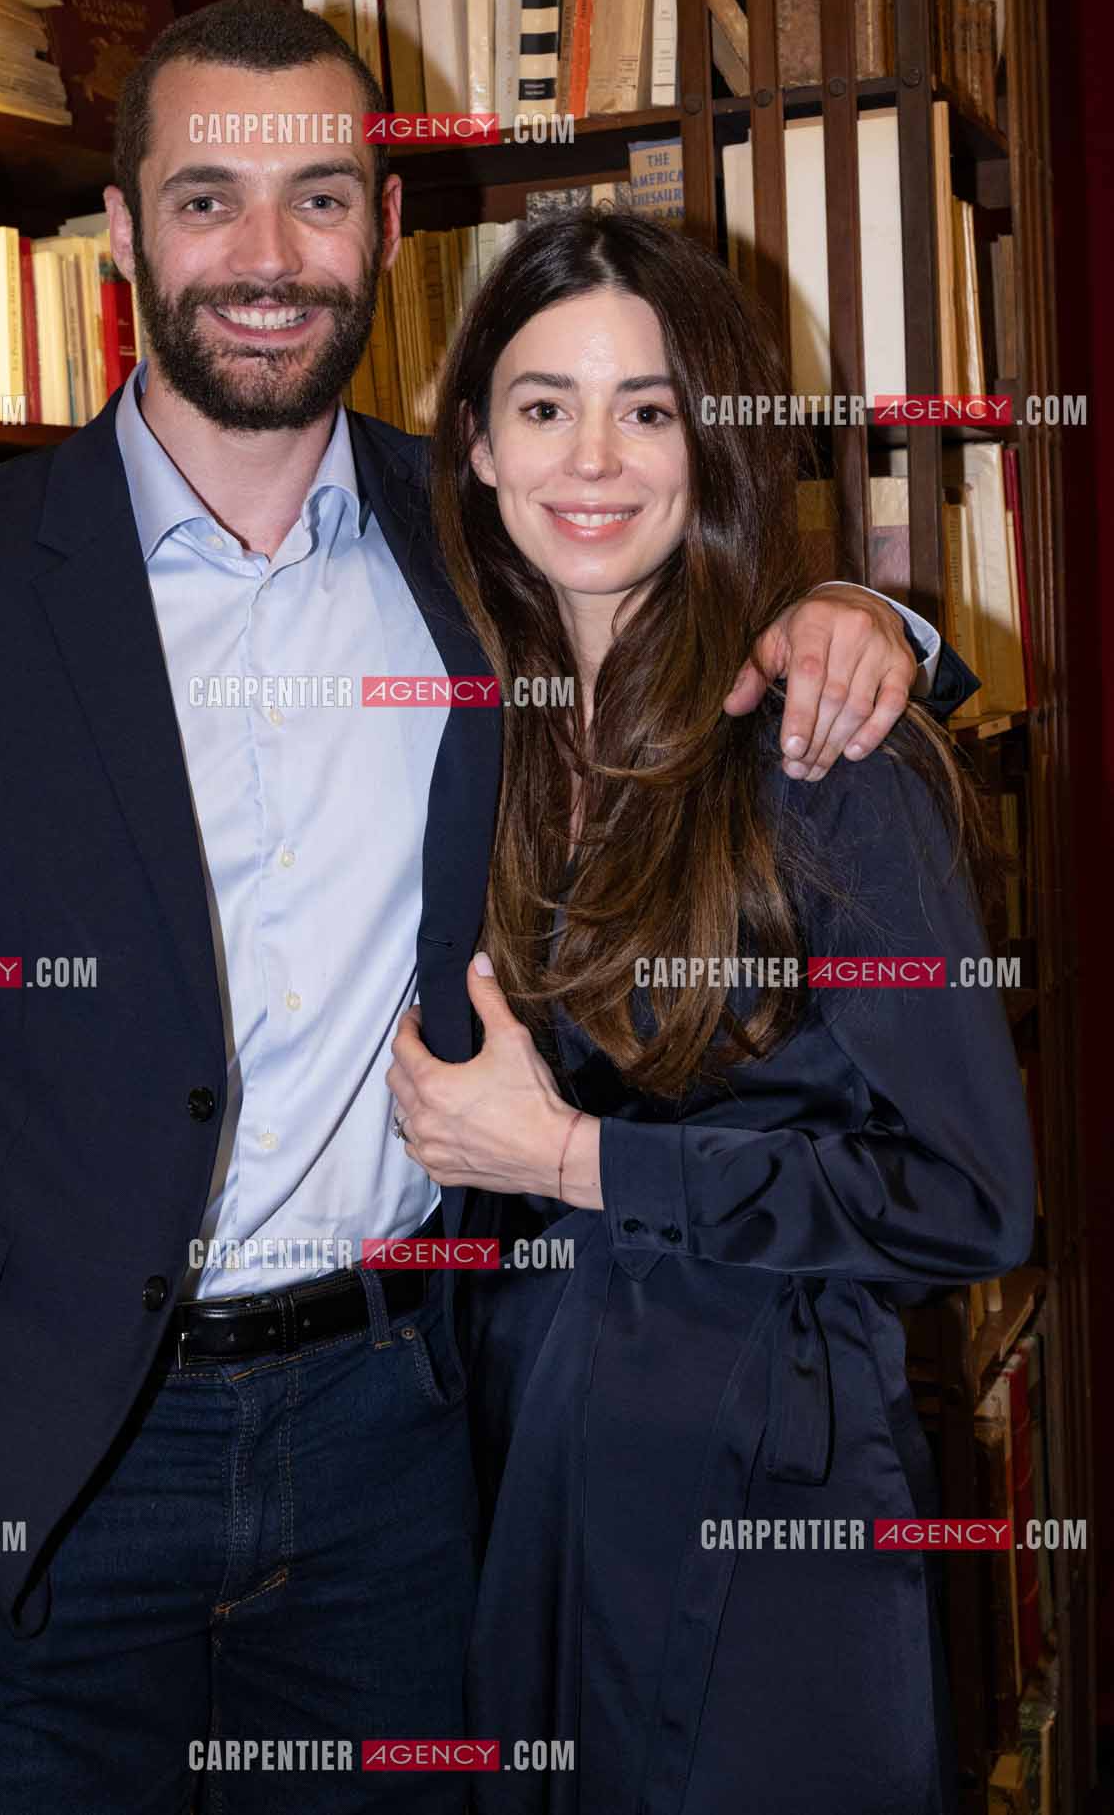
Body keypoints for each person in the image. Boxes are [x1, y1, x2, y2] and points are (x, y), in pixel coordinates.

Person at [0, 0, 962, 1814]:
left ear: (384, 230)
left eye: (318, 200)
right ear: (123, 233)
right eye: (208, 199)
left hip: (399, 1444)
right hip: (45, 1459)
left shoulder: (486, 546)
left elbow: (691, 583)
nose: (268, 258)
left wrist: (867, 621)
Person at [386, 210, 1037, 1815]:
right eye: (544, 406)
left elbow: (974, 1197)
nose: (592, 456)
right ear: (472, 445)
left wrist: (583, 1162)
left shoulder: (823, 758)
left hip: (766, 1488)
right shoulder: (481, 732)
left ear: (712, 440)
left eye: (650, 407)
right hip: (522, 1461)